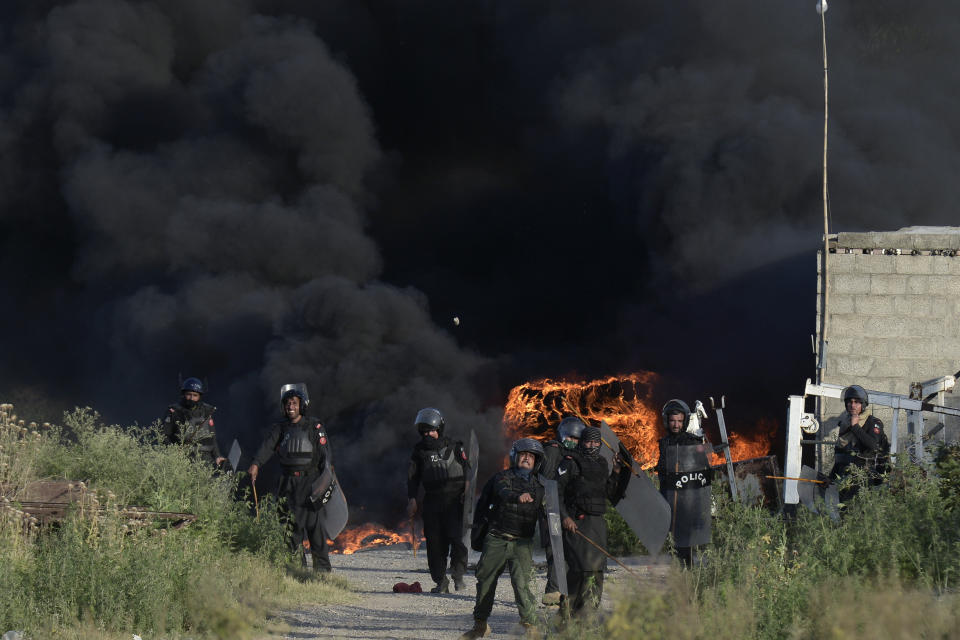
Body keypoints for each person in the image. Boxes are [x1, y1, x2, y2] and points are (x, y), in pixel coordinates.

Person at [460, 438, 546, 640]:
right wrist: (518, 496)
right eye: (523, 454)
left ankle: (531, 626)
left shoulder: (540, 486)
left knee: (522, 583)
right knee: (486, 581)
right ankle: (480, 625)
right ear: (515, 456)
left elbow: (549, 510)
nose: (527, 458)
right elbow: (503, 491)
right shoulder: (502, 478)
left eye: (531, 456)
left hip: (522, 543)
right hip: (497, 538)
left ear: (536, 462)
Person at [248, 383, 334, 573]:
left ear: (301, 405)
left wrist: (325, 479)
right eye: (287, 403)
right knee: (290, 527)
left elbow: (325, 455)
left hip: (310, 481)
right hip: (287, 483)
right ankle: (297, 570)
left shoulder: (314, 426)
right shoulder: (280, 428)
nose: (290, 406)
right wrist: (256, 464)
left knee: (314, 528)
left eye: (294, 403)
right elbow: (267, 447)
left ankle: (322, 571)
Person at [557, 425, 631, 616]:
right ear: (582, 442)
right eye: (588, 442)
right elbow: (556, 493)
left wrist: (616, 470)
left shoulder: (601, 463)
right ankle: (566, 616)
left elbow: (607, 493)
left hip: (597, 524)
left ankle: (586, 618)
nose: (592, 446)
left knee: (596, 572)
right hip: (577, 523)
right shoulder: (570, 463)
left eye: (596, 442)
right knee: (579, 571)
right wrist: (565, 517)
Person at [406, 407, 470, 593]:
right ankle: (441, 581)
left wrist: (467, 493)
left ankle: (458, 576)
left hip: (455, 502)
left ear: (439, 429)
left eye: (431, 431)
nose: (428, 435)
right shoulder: (418, 452)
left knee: (457, 541)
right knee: (435, 544)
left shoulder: (455, 447)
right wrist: (411, 499)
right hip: (432, 502)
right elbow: (412, 478)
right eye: (424, 432)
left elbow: (468, 473)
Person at [656, 398, 712, 566]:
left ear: (685, 421)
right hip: (669, 499)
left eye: (679, 421)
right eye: (672, 421)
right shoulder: (664, 443)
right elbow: (663, 468)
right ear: (667, 421)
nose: (676, 425)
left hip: (688, 502)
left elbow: (705, 472)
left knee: (686, 546)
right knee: (673, 545)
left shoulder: (693, 442)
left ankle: (690, 578)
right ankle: (679, 578)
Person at [539, 415, 584, 606]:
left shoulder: (575, 455)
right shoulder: (553, 451)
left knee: (568, 551)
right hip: (552, 509)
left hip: (567, 509)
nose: (572, 441)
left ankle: (563, 592)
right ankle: (553, 592)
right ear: (561, 435)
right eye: (569, 437)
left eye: (576, 439)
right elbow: (547, 483)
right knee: (555, 551)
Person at [829, 384, 890, 498]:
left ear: (863, 404)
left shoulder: (873, 423)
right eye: (850, 402)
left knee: (858, 512)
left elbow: (873, 446)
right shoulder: (845, 424)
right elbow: (841, 455)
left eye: (857, 402)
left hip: (862, 478)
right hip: (844, 478)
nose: (853, 405)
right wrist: (831, 478)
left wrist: (855, 427)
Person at [162, 376, 225, 467]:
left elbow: (212, 438)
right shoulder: (173, 411)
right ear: (183, 394)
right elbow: (164, 436)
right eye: (189, 394)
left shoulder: (207, 411)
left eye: (195, 395)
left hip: (205, 460)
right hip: (181, 459)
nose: (191, 398)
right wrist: (173, 451)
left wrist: (217, 456)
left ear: (199, 396)